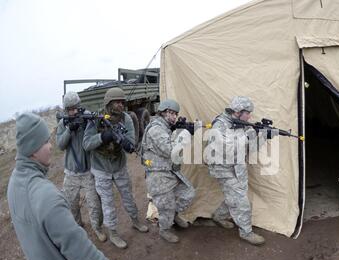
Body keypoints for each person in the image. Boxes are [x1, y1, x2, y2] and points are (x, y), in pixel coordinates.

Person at [7, 113, 119, 260]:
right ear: (33, 149)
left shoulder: (14, 183)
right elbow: (78, 250)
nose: (51, 146)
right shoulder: (46, 196)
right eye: (45, 142)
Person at [83, 87, 148, 249]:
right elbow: (86, 144)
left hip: (119, 166)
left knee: (128, 197)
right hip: (101, 169)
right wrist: (103, 137)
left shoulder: (125, 119)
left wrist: (126, 143)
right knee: (107, 203)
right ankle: (113, 233)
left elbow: (131, 141)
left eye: (122, 102)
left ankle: (135, 221)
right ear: (108, 103)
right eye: (116, 102)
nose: (120, 105)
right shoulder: (96, 119)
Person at [206, 96, 272, 246]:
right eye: (247, 112)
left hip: (238, 168)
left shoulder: (242, 124)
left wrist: (263, 136)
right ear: (237, 111)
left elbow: (251, 148)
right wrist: (248, 137)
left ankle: (218, 216)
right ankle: (246, 232)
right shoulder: (220, 125)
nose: (249, 116)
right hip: (223, 169)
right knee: (241, 200)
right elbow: (226, 150)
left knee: (234, 196)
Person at [141, 99, 195, 243]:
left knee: (189, 193)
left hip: (168, 171)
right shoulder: (156, 129)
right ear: (163, 112)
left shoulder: (165, 127)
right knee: (166, 206)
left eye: (175, 114)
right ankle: (164, 229)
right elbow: (171, 150)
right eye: (171, 113)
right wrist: (186, 134)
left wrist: (179, 130)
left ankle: (174, 215)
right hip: (157, 175)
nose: (174, 117)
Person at [56, 92, 106, 242]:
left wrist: (88, 124)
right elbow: (60, 145)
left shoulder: (87, 118)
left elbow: (94, 137)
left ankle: (97, 228)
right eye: (69, 109)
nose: (73, 112)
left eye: (75, 108)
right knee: (71, 203)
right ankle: (78, 226)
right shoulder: (63, 123)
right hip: (71, 172)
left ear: (79, 106)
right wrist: (69, 130)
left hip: (88, 171)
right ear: (66, 110)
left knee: (94, 203)